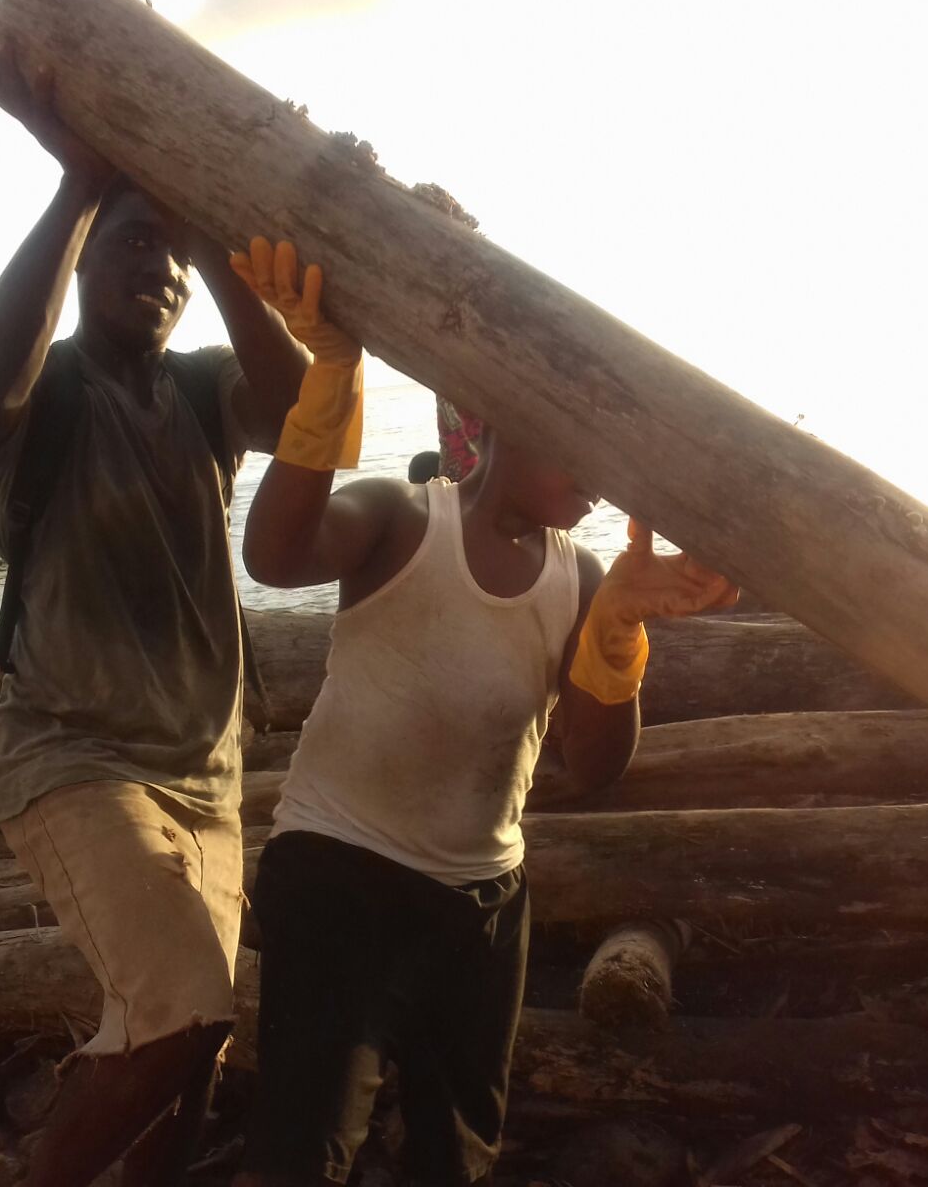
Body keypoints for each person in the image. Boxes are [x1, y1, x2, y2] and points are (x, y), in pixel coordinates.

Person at [229, 237, 740, 1187]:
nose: (599, 469)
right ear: (499, 417)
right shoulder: (401, 518)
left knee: (456, 1155)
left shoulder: (579, 579)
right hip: (336, 877)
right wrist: (330, 375)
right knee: (302, 1150)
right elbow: (275, 553)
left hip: (479, 909)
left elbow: (590, 765)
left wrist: (620, 625)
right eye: (576, 437)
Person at [0, 45, 309, 1187]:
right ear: (84, 261)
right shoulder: (46, 395)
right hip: (75, 759)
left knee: (196, 1032)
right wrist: (76, 189)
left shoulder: (198, 391)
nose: (162, 270)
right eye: (134, 246)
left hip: (207, 770)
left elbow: (297, 407)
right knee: (178, 1007)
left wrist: (205, 239)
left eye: (173, 256)